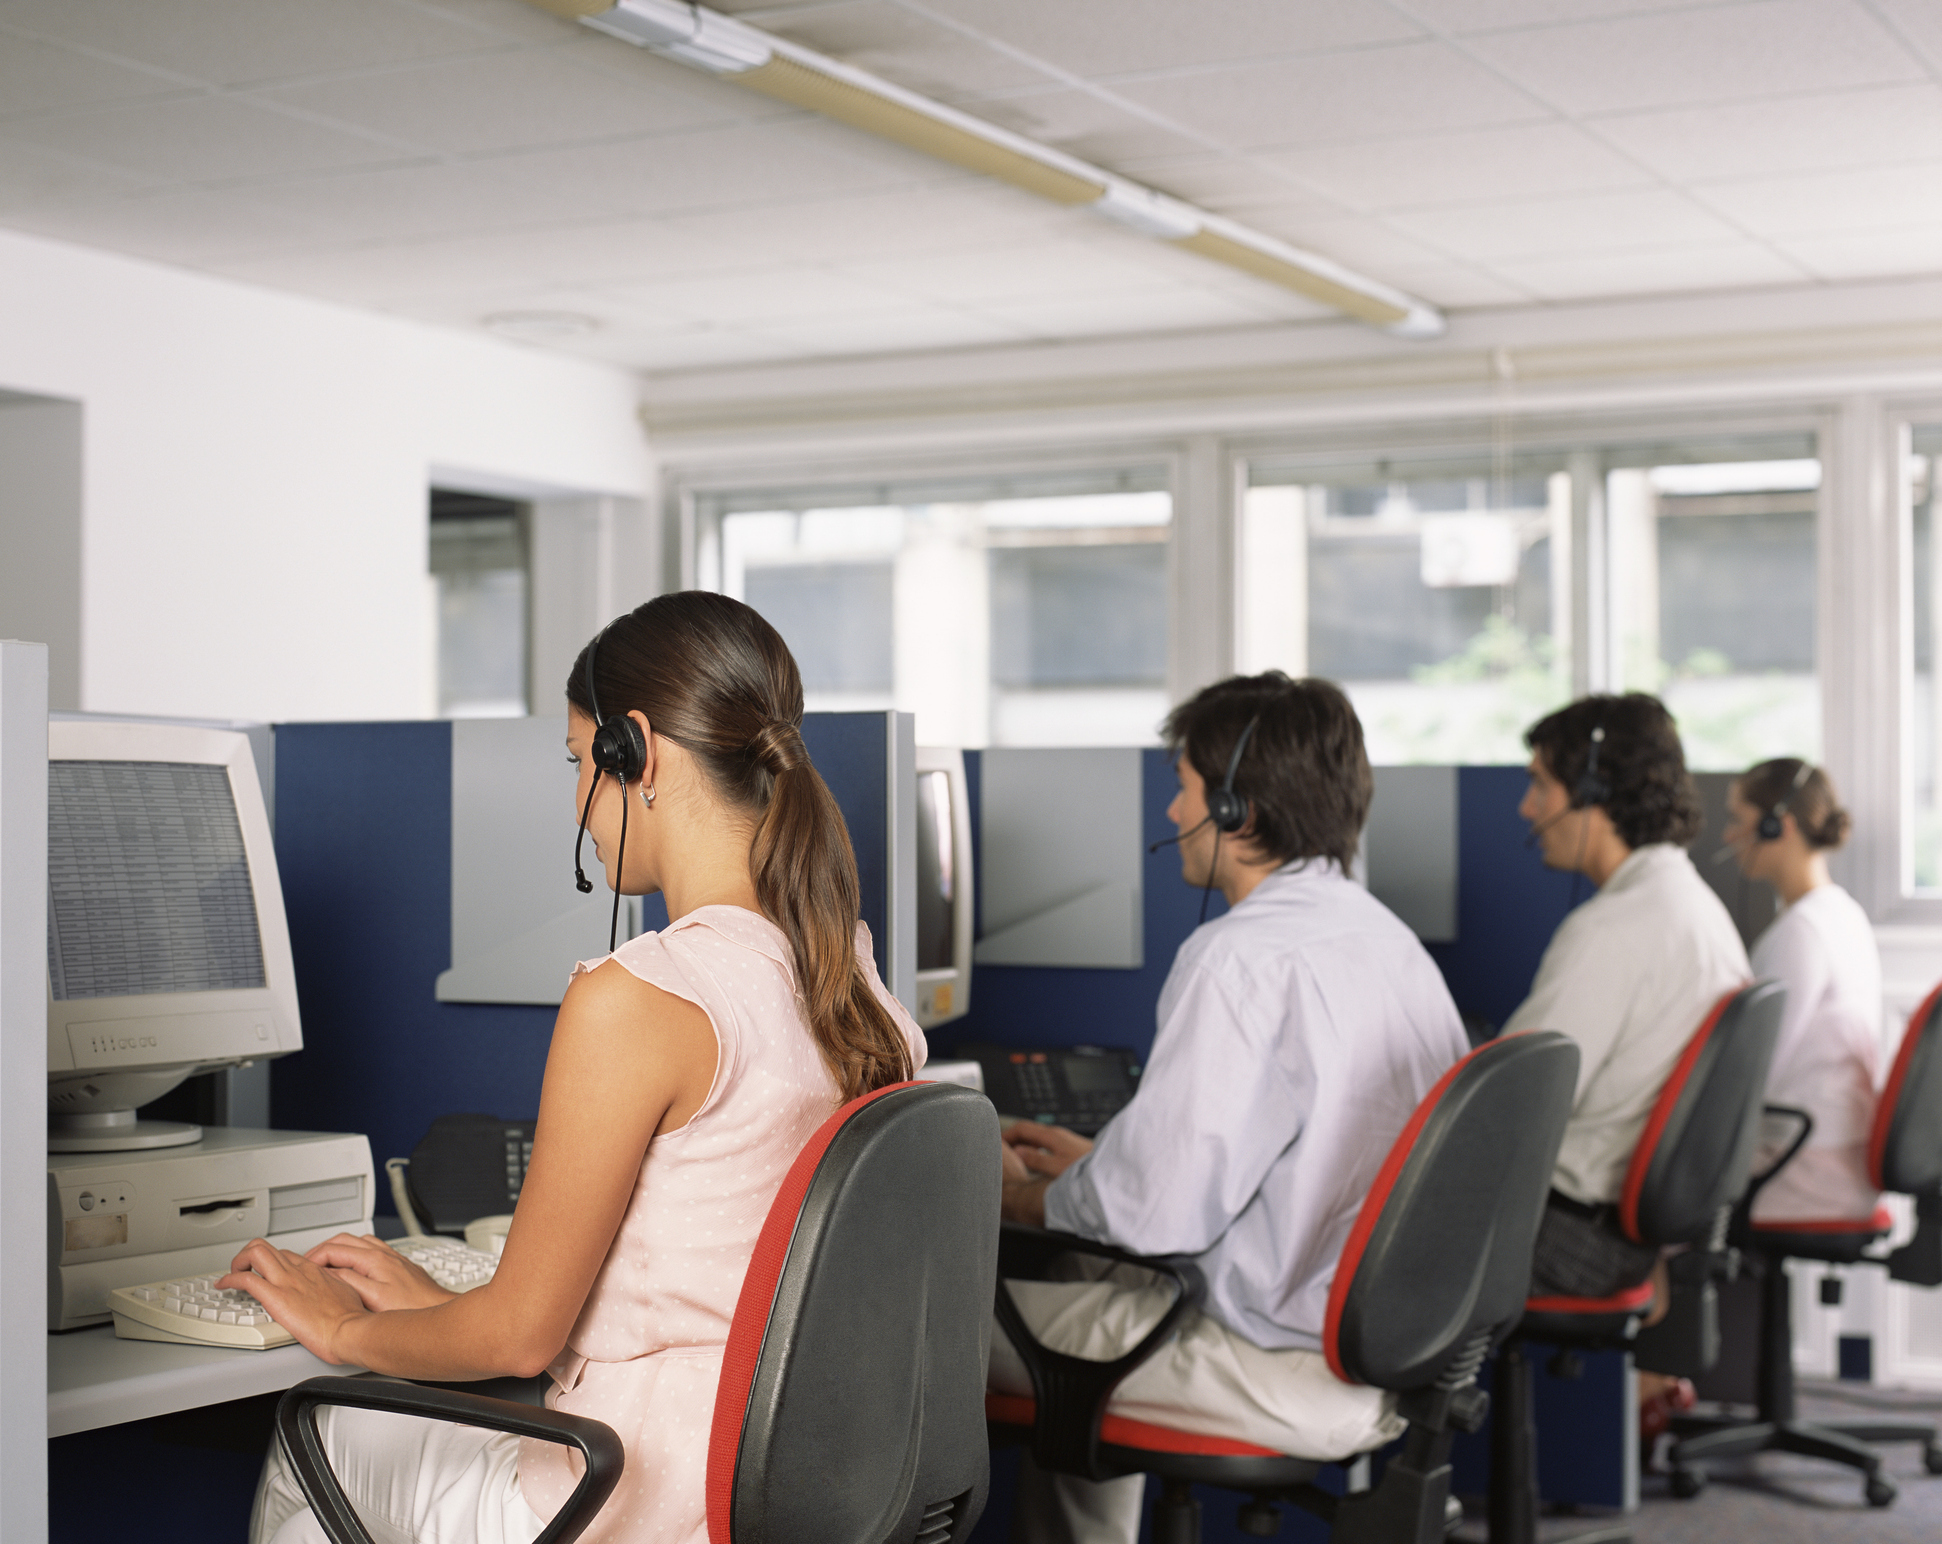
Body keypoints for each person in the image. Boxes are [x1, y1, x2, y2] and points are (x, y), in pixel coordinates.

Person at [226, 591, 925, 1544]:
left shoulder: (643, 995)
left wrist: (343, 1330)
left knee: (327, 1425)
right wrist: (458, 1308)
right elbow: (709, 1289)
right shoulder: (856, 983)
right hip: (797, 1496)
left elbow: (518, 1341)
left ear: (634, 750)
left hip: (633, 1498)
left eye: (578, 764)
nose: (580, 806)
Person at [996, 672, 1468, 1544]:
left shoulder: (1239, 959)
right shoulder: (1388, 944)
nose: (1173, 812)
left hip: (1267, 1358)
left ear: (1237, 808)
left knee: (935, 1335)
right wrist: (1098, 1170)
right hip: (1383, 1352)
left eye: (1182, 787)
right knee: (1076, 1276)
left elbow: (1154, 1215)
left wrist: (1010, 1195)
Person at [1504, 693, 1749, 1302]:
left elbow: (1511, 1111)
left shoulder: (1615, 929)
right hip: (1627, 1238)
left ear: (1593, 792)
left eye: (1541, 785)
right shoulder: (1695, 907)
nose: (1526, 807)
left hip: (1569, 1239)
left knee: (1350, 1241)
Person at [1723, 759, 1882, 1224]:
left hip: (1805, 1167)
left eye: (1739, 820)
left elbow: (1755, 1069)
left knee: (1660, 1211)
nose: (1730, 836)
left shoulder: (1801, 932)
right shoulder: (1843, 913)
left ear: (1779, 826)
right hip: (1841, 1160)